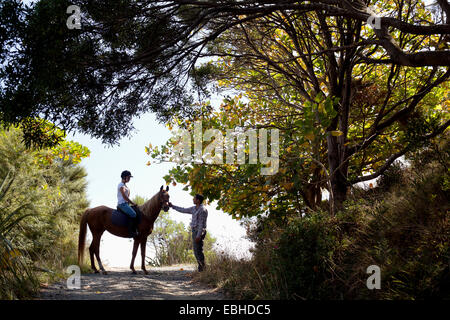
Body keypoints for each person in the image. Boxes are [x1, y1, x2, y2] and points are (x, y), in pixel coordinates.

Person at [169, 194, 208, 272]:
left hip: (199, 231)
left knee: (198, 249)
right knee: (196, 250)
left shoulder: (202, 210)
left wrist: (198, 235)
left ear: (198, 200)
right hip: (194, 231)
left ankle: (203, 268)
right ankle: (201, 268)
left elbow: (201, 224)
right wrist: (173, 206)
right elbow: (183, 210)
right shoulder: (193, 208)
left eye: (194, 198)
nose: (193, 199)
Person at [117, 170, 138, 238]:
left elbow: (127, 197)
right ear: (124, 177)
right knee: (133, 214)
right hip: (122, 204)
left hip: (126, 204)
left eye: (130, 177)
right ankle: (131, 231)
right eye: (128, 177)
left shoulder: (126, 187)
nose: (129, 179)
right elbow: (124, 197)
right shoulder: (121, 185)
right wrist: (133, 203)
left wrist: (131, 204)